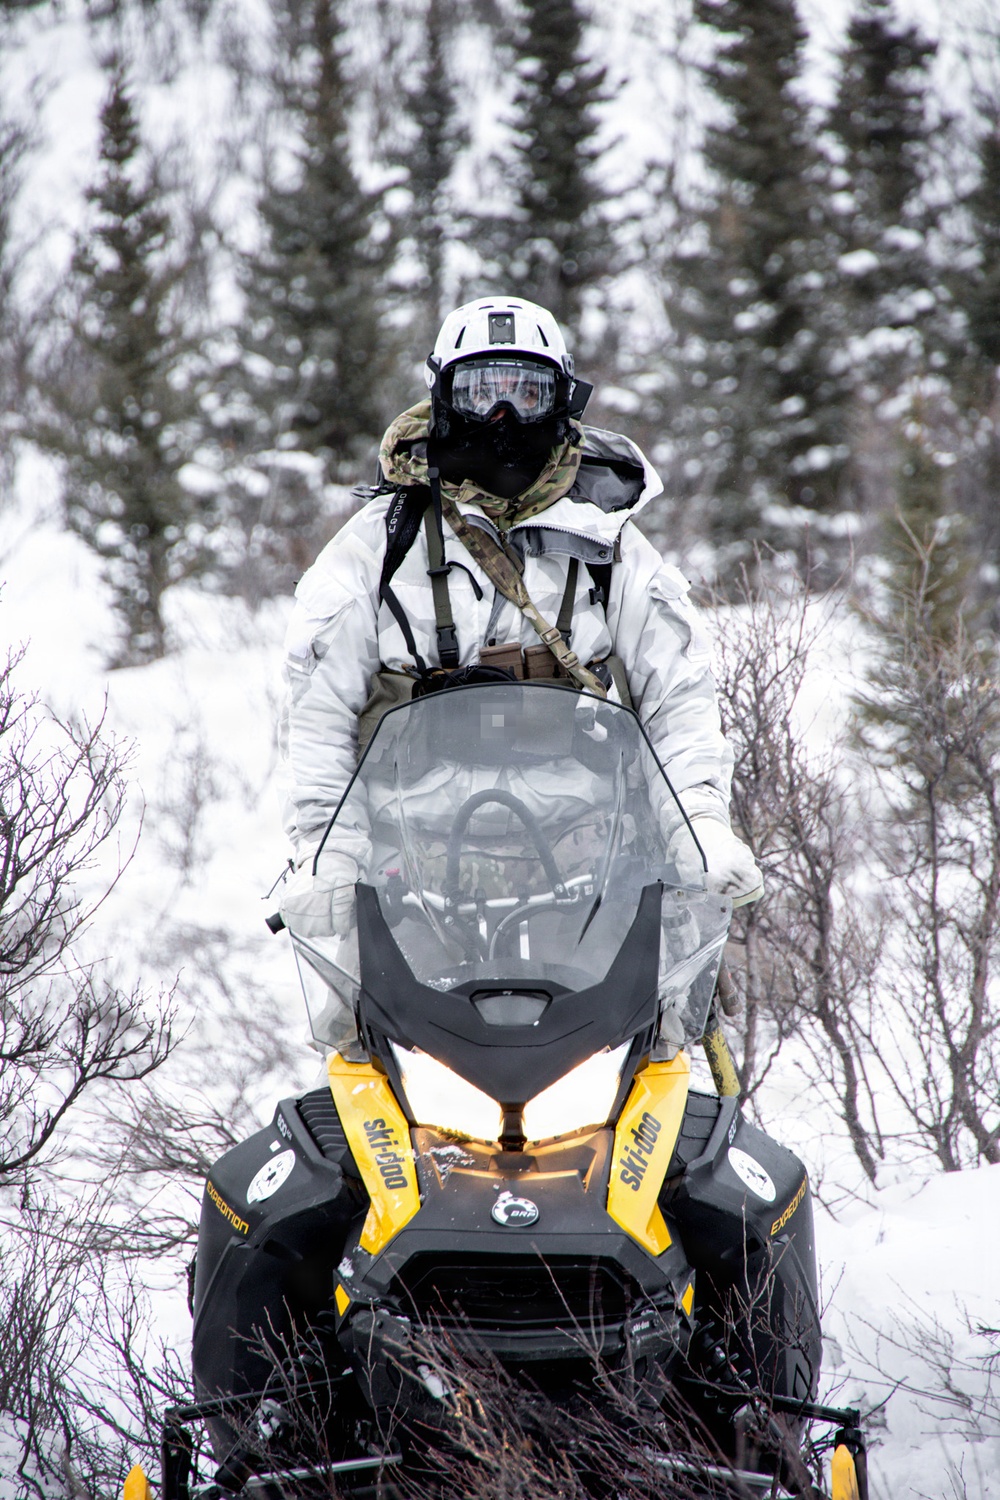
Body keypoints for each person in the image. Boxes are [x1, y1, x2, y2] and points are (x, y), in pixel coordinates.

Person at [278, 295, 761, 936]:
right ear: (443, 397)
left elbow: (678, 696)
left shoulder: (607, 539)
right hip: (406, 855)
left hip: (588, 848)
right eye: (480, 392)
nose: (502, 416)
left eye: (526, 394)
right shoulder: (380, 543)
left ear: (561, 401)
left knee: (671, 1003)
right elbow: (318, 712)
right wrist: (327, 853)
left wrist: (699, 830)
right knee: (351, 1014)